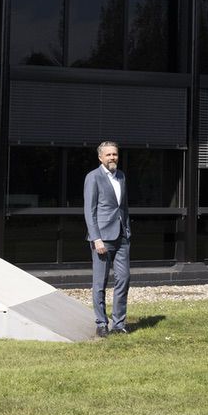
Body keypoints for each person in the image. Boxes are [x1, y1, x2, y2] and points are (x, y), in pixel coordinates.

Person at [83, 140, 131, 336]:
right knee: (100, 282)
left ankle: (119, 324)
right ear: (100, 157)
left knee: (124, 279)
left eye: (115, 154)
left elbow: (123, 207)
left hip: (122, 237)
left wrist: (127, 230)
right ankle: (101, 323)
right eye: (109, 155)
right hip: (102, 238)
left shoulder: (121, 176)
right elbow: (89, 210)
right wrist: (96, 238)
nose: (113, 158)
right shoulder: (93, 177)